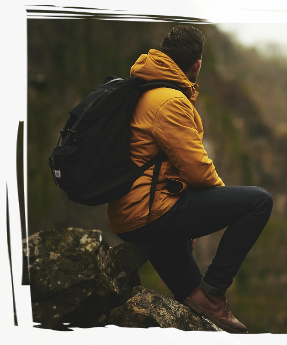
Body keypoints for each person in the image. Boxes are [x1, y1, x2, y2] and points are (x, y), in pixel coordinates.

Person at [107, 25, 273, 336]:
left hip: (134, 213)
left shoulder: (144, 89)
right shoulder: (169, 101)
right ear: (196, 64)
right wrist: (214, 208)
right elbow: (197, 169)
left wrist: (188, 214)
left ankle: (206, 300)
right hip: (148, 213)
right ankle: (215, 292)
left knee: (194, 304)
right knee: (259, 201)